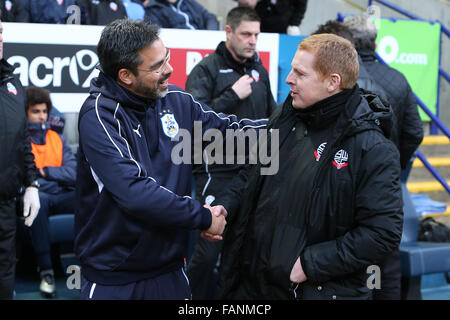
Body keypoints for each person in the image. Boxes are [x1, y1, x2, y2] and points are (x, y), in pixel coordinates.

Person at [74, 18, 266, 300]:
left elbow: (231, 132)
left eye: (167, 57)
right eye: (157, 66)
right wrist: (202, 217)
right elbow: (135, 192)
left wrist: (287, 123)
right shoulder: (99, 116)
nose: (170, 69)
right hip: (115, 280)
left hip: (172, 273)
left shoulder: (177, 100)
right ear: (126, 75)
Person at [216, 33, 403, 300]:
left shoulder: (371, 148)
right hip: (251, 283)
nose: (288, 79)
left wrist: (310, 264)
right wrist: (226, 205)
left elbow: (382, 233)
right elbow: (253, 173)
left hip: (309, 289)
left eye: (299, 73)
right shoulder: (284, 115)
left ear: (332, 82)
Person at [185, 6, 277, 300]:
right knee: (210, 248)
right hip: (216, 170)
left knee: (246, 247)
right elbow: (194, 121)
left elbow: (272, 115)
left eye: (256, 35)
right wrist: (232, 95)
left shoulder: (259, 68)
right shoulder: (206, 69)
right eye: (246, 34)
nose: (252, 41)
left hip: (254, 168)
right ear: (228, 32)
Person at [343, 15, 424, 300]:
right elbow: (414, 133)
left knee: (350, 261)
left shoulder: (342, 79)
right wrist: (394, 166)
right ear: (375, 42)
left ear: (348, 42)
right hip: (384, 187)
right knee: (383, 263)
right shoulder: (398, 79)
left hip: (347, 184)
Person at [22, 86, 76, 298]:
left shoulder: (57, 138)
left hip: (59, 193)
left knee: (93, 196)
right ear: (25, 112)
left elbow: (73, 174)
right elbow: (22, 178)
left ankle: (96, 266)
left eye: (44, 111)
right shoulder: (20, 139)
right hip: (36, 196)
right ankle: (47, 272)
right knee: (39, 201)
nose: (42, 116)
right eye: (36, 111)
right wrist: (47, 180)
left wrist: (45, 172)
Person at [0, 18, 40, 300]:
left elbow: (22, 141)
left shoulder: (12, 82)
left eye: (0, 31)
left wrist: (32, 184)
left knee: (4, 269)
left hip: (5, 202)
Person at [144, 0, 219, 30]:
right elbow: (159, 33)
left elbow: (210, 17)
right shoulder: (153, 9)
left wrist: (209, 35)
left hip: (203, 42)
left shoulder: (188, 2)